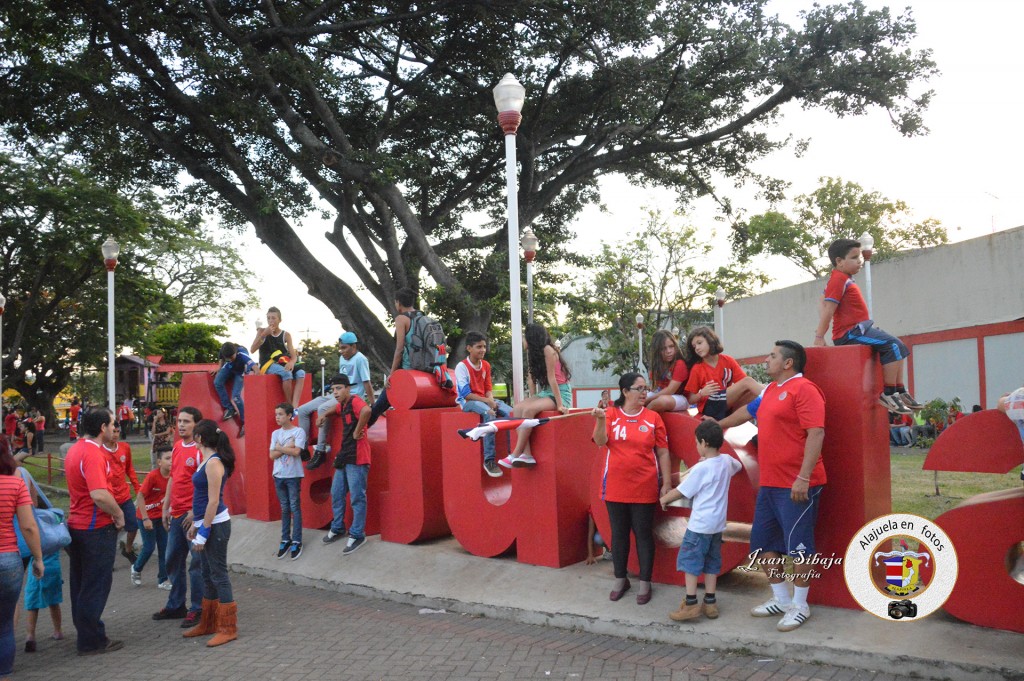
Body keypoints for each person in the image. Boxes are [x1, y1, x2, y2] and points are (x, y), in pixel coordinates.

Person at [717, 340, 825, 632]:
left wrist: (803, 477)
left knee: (799, 549)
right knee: (762, 544)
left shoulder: (805, 390)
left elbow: (816, 433)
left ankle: (800, 605)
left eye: (773, 356)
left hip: (798, 484)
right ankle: (779, 598)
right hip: (769, 484)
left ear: (788, 363)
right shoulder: (771, 392)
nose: (767, 359)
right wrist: (718, 425)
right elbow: (746, 413)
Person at [814, 238, 922, 415]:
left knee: (900, 347)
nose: (859, 261)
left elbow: (822, 299)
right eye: (854, 257)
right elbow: (828, 309)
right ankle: (888, 394)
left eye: (860, 257)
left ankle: (900, 390)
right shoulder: (838, 279)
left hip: (862, 328)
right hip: (850, 333)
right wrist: (819, 336)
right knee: (893, 346)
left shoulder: (843, 279)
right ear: (839, 261)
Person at [592, 372, 672, 605]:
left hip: (644, 487)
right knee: (618, 535)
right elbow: (599, 441)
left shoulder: (653, 417)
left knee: (643, 534)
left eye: (646, 389)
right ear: (625, 391)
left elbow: (663, 452)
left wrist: (666, 483)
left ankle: (645, 583)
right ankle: (620, 579)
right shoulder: (611, 414)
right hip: (614, 487)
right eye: (639, 389)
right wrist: (599, 419)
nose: (644, 393)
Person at [660, 420, 742, 622]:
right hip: (717, 526)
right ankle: (710, 602)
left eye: (697, 443)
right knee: (712, 562)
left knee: (690, 563)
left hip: (699, 526)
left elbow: (683, 490)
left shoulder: (700, 469)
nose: (696, 446)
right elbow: (738, 465)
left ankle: (690, 604)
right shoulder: (725, 461)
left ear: (704, 443)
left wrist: (664, 499)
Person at [64, 407, 127, 655]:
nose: (115, 428)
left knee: (81, 584)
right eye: (112, 424)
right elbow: (99, 494)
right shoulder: (92, 454)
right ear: (102, 428)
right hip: (95, 529)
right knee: (95, 585)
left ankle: (87, 634)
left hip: (78, 527)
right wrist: (118, 514)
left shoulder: (75, 449)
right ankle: (91, 640)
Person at [181, 419, 238, 647]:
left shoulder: (213, 463)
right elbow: (203, 500)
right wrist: (196, 523)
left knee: (219, 575)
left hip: (216, 526)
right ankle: (209, 622)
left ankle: (228, 628)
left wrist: (203, 531)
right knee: (207, 574)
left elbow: (214, 502)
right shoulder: (206, 460)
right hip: (206, 524)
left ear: (200, 438)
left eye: (194, 436)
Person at [154, 406, 205, 629]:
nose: (182, 425)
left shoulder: (200, 450)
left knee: (196, 564)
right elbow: (173, 479)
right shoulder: (175, 448)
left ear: (197, 425)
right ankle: (176, 605)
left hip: (192, 516)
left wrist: (196, 513)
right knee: (172, 559)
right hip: (175, 514)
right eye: (180, 421)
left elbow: (205, 484)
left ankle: (198, 608)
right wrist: (166, 507)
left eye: (187, 421)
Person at [499, 323, 572, 469]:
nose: (522, 341)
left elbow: (552, 379)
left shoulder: (548, 350)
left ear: (531, 338)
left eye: (524, 337)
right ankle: (527, 455)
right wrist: (533, 398)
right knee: (519, 408)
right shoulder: (532, 352)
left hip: (560, 392)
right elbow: (531, 378)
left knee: (528, 411)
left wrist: (560, 404)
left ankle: (515, 454)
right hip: (545, 392)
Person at [1, 436, 44, 676]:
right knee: (5, 625)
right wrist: (38, 558)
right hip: (8, 559)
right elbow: (29, 526)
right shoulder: (14, 484)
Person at [301, 331, 373, 470]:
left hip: (351, 395)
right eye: (340, 348)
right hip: (337, 392)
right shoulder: (342, 358)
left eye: (345, 348)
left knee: (323, 409)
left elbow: (366, 382)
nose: (342, 351)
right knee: (304, 409)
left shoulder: (360, 359)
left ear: (354, 346)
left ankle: (320, 450)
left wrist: (372, 402)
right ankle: (303, 448)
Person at [321, 375, 372, 555]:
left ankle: (358, 534)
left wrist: (358, 431)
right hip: (344, 455)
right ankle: (338, 527)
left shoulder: (356, 401)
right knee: (336, 493)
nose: (335, 392)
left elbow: (366, 411)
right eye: (333, 389)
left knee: (357, 497)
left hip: (358, 457)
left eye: (339, 388)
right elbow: (335, 409)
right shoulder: (342, 404)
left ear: (348, 389)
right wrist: (323, 415)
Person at [455, 331, 513, 478]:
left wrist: (491, 400)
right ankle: (489, 460)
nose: (482, 350)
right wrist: (488, 403)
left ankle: (512, 452)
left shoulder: (486, 365)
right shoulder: (462, 367)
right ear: (469, 348)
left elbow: (488, 388)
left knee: (512, 413)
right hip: (468, 403)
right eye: (478, 347)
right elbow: (465, 395)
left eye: (484, 347)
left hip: (484, 399)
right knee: (489, 413)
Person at [683, 326, 762, 421]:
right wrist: (701, 393)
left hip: (726, 406)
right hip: (710, 406)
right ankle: (773, 397)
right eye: (694, 346)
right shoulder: (697, 368)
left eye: (699, 343)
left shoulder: (728, 360)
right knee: (748, 382)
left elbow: (746, 385)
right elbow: (690, 399)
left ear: (710, 340)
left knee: (752, 392)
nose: (697, 348)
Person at [367, 288, 419, 427]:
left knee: (378, 407)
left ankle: (357, 437)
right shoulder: (423, 317)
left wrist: (392, 374)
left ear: (398, 303)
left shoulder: (401, 319)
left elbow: (399, 349)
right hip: (423, 371)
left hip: (407, 372)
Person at [131, 446, 173, 590]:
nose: (171, 461)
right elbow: (140, 496)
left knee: (164, 548)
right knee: (149, 547)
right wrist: (145, 519)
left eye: (173, 458)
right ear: (159, 461)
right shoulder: (153, 476)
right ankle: (136, 568)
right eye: (167, 458)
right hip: (146, 517)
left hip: (161, 518)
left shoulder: (174, 477)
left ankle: (162, 579)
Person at [270, 403, 306, 560]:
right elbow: (272, 455)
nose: (277, 417)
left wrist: (280, 448)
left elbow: (297, 451)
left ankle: (297, 540)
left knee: (294, 507)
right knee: (284, 508)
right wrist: (287, 446)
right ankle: (285, 538)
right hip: (278, 475)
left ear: (290, 415)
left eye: (280, 414)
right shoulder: (275, 433)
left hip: (293, 475)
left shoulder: (298, 432)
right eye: (276, 414)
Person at [102, 422, 141, 565]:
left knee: (133, 525)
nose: (115, 435)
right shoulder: (99, 450)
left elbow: (130, 469)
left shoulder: (125, 447)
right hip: (109, 499)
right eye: (113, 431)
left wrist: (138, 488)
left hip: (124, 496)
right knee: (112, 531)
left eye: (118, 431)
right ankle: (108, 559)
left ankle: (128, 550)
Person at [251, 306, 306, 407]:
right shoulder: (261, 331)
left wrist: (291, 363)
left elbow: (293, 357)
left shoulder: (286, 335)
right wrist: (264, 335)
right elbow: (252, 349)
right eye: (268, 318)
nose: (271, 321)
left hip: (282, 361)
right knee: (287, 374)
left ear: (279, 320)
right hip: (267, 364)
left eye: (273, 318)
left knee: (301, 373)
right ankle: (289, 406)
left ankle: (295, 404)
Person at [215, 342, 257, 437]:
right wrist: (219, 369)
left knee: (236, 396)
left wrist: (256, 382)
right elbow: (222, 360)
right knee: (217, 382)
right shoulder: (224, 352)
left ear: (235, 352)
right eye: (228, 358)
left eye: (232, 357)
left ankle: (245, 422)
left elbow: (255, 368)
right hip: (230, 367)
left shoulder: (242, 354)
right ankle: (230, 408)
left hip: (241, 371)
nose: (230, 359)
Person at [645, 329, 692, 413]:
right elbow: (654, 388)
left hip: (681, 398)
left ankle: (642, 419)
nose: (669, 351)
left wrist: (647, 400)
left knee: (661, 401)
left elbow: (670, 390)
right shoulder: (657, 365)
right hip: (662, 395)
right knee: (637, 397)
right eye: (663, 349)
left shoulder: (680, 364)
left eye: (671, 346)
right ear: (657, 351)